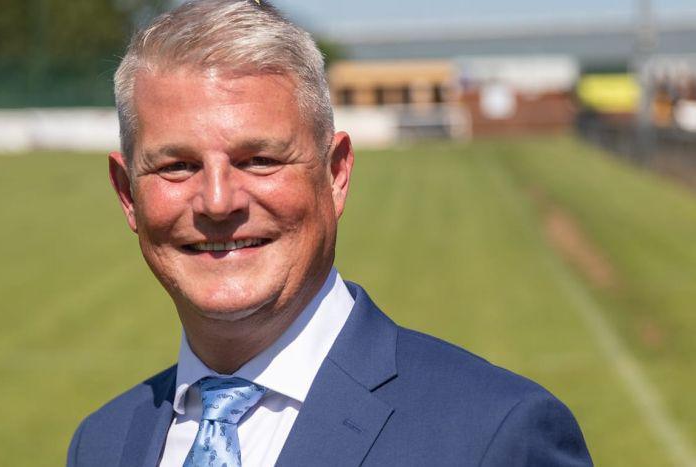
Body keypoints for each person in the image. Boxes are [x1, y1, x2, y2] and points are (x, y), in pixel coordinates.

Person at [67, 1, 593, 466]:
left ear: (336, 173)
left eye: (260, 160)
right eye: (177, 166)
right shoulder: (102, 443)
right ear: (127, 192)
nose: (219, 201)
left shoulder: (493, 435)